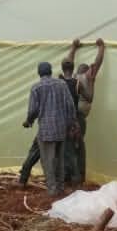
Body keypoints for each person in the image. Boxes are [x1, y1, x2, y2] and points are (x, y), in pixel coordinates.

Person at [23, 62, 76, 196]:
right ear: (51, 71)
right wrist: (70, 125)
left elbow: (33, 110)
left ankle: (52, 190)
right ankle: (60, 187)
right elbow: (70, 106)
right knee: (59, 160)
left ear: (39, 73)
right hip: (61, 129)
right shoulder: (62, 84)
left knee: (48, 161)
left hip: (46, 131)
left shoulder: (36, 88)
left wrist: (28, 121)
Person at [67, 38, 106, 186]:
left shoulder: (73, 78)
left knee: (71, 145)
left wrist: (73, 47)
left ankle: (72, 176)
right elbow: (98, 62)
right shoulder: (87, 77)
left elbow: (69, 62)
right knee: (78, 146)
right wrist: (101, 47)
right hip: (79, 116)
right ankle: (77, 177)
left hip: (70, 117)